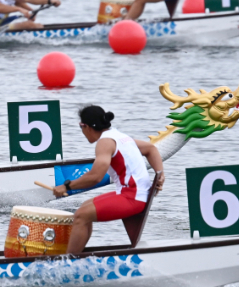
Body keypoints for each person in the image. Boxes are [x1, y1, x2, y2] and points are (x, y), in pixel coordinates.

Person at [51, 105, 165, 256]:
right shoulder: (120, 136)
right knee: (84, 208)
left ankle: (68, 261)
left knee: (81, 215)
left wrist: (66, 187)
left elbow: (96, 176)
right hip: (137, 194)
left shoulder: (104, 142)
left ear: (86, 126)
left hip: (132, 197)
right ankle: (76, 255)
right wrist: (160, 173)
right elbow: (151, 148)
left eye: (80, 127)